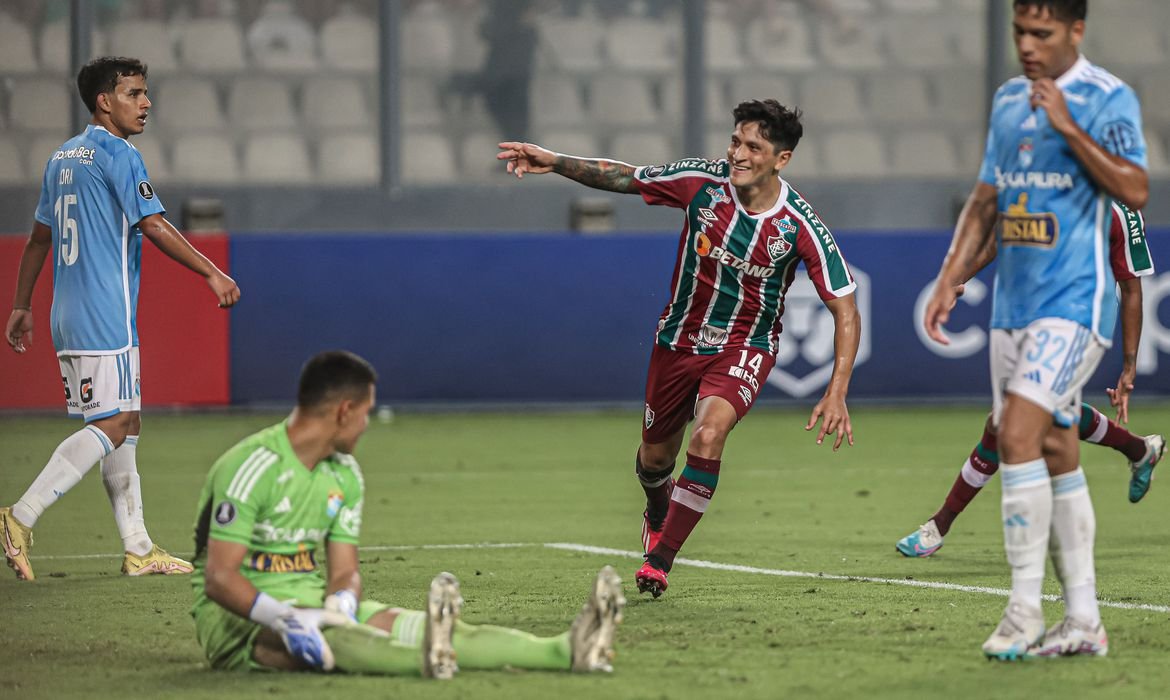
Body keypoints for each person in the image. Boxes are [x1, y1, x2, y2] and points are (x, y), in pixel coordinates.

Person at [497, 99, 861, 598]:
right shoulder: (702, 183)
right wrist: (555, 160)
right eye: (736, 141)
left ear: (781, 159)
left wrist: (837, 389)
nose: (738, 153)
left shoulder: (799, 226)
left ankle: (660, 560)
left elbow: (845, 308)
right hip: (677, 343)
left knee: (708, 437)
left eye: (754, 146)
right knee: (654, 460)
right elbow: (627, 178)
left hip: (745, 347)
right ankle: (656, 506)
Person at [923, 0, 1148, 660]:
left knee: (1016, 434)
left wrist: (1069, 128)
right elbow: (986, 198)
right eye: (1020, 30)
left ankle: (1023, 610)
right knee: (1054, 451)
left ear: (1076, 31)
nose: (1027, 43)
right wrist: (950, 273)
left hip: (1077, 304)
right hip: (1012, 309)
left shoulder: (1108, 98)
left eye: (1041, 33)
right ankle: (1084, 620)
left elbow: (1134, 189)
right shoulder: (1005, 103)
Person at [191, 350, 623, 677]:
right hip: (239, 621)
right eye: (365, 414)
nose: (366, 425)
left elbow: (345, 572)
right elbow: (220, 578)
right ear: (344, 411)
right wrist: (285, 618)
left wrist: (341, 600)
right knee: (337, 639)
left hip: (313, 604)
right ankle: (422, 658)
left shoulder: (345, 476)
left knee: (429, 627)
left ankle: (566, 649)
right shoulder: (252, 466)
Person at [2, 56, 241, 581]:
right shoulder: (119, 154)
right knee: (111, 423)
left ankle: (138, 547)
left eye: (145, 92)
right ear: (104, 102)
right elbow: (153, 225)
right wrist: (212, 272)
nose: (146, 102)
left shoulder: (61, 157)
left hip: (72, 310)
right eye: (134, 93)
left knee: (126, 425)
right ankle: (19, 516)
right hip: (101, 311)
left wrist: (22, 304)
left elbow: (40, 237)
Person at [900, 201, 1161, 558]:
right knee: (1027, 415)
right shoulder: (1037, 185)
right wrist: (958, 279)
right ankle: (1139, 450)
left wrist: (1128, 364)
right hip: (1035, 316)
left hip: (1085, 325)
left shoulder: (1119, 211)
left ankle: (939, 526)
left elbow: (1131, 289)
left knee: (1012, 416)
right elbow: (998, 241)